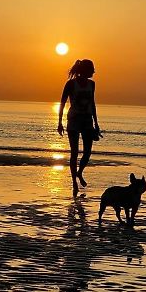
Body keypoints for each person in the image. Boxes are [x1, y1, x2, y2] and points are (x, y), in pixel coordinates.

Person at [57, 59, 101, 196]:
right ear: (85, 70)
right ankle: (74, 183)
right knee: (74, 152)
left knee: (87, 153)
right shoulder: (71, 84)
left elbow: (92, 104)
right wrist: (59, 122)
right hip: (74, 120)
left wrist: (96, 123)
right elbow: (63, 102)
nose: (93, 72)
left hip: (87, 120)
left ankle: (79, 173)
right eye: (91, 69)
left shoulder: (92, 85)